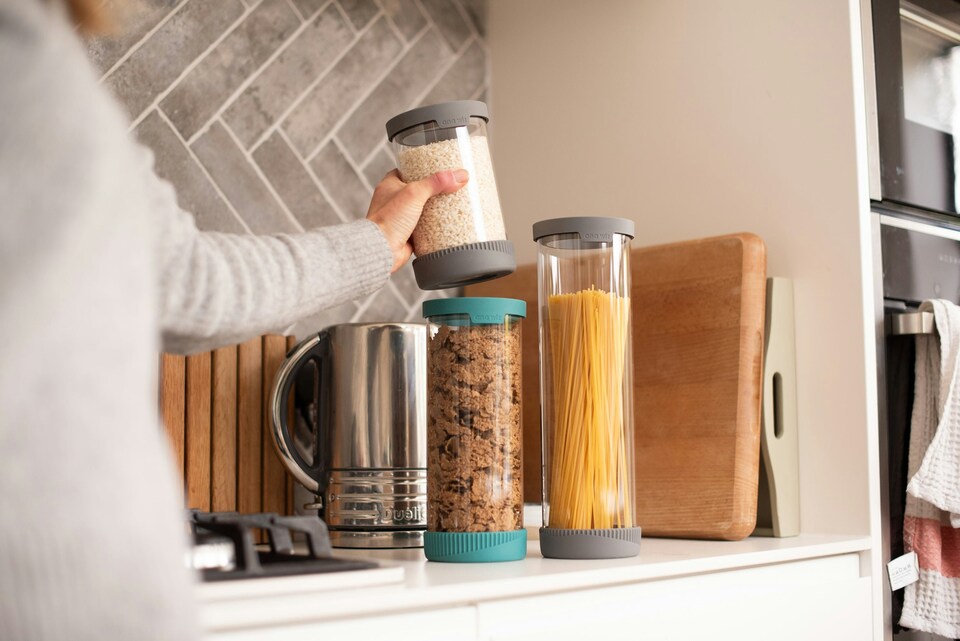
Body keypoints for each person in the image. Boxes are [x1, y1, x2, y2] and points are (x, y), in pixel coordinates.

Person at [0, 0, 467, 639]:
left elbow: (186, 279)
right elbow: (194, 287)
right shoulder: (21, 56)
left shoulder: (35, 53)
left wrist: (376, 242)